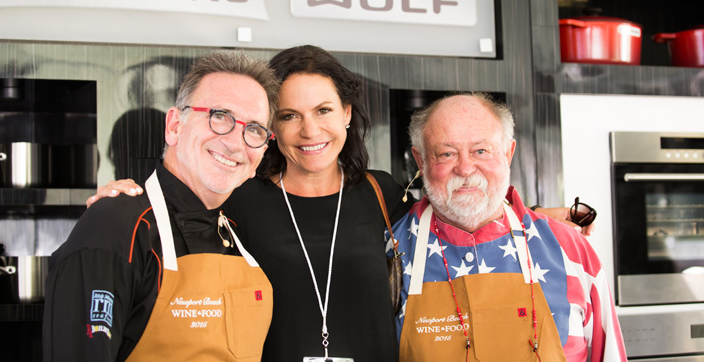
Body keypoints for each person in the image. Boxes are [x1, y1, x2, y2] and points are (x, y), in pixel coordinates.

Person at [89, 46, 595, 361]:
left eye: (324, 110)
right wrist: (126, 197)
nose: (310, 131)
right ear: (267, 128)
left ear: (348, 114)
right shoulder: (237, 196)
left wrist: (535, 217)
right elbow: (182, 197)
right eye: (288, 116)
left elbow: (460, 205)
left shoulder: (384, 193)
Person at [42, 52, 280, 362]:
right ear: (174, 126)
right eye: (220, 115)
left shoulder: (236, 232)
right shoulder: (113, 227)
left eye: (255, 130)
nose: (236, 142)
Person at [390, 92, 627, 361]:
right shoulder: (388, 252)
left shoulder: (569, 249)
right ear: (420, 162)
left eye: (481, 150)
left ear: (508, 152)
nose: (466, 168)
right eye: (447, 153)